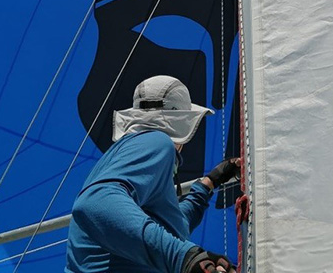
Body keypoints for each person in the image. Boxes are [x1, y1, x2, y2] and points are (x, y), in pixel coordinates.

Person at [66, 75, 240, 273]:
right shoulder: (157, 142)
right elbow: (95, 202)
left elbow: (170, 226)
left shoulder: (122, 154)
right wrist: (185, 257)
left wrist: (208, 184)